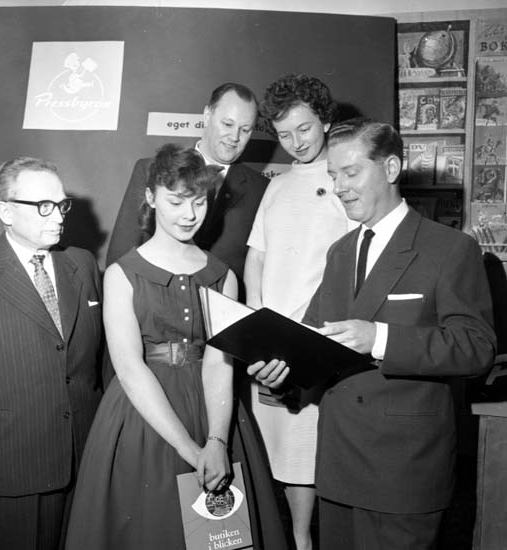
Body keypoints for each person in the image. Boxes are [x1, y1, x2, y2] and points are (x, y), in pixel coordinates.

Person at [248, 118, 496, 550]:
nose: (339, 187)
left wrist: (379, 338)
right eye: (333, 175)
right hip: (338, 468)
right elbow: (315, 345)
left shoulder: (450, 248)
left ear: (392, 168)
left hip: (403, 472)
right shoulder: (340, 252)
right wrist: (283, 374)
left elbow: (476, 347)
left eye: (350, 173)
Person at [64, 144, 286, 550]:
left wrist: (216, 443)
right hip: (143, 418)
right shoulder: (122, 274)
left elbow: (219, 364)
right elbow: (129, 368)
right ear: (151, 198)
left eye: (199, 202)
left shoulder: (223, 276)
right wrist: (190, 450)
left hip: (213, 412)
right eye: (176, 202)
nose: (189, 215)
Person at [0, 157, 103, 550]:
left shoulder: (82, 263)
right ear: (5, 211)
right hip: (10, 465)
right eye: (44, 206)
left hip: (84, 456)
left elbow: (98, 363)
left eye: (62, 204)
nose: (59, 216)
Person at [244, 73, 353, 550]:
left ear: (325, 121)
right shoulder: (278, 185)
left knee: (305, 453)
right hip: (270, 339)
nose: (296, 143)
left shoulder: (345, 180)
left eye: (304, 129)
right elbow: (257, 257)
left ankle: (303, 540)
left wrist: (310, 333)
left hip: (315, 340)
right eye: (285, 134)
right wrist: (256, 320)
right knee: (276, 451)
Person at [105, 82, 268, 284]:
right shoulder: (150, 170)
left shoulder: (262, 189)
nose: (234, 137)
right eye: (227, 124)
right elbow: (121, 255)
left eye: (245, 130)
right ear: (207, 115)